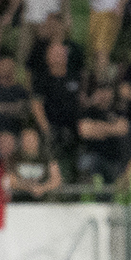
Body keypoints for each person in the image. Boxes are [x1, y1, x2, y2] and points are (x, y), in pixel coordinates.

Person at [30, 40, 84, 171]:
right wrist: (47, 130)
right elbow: (36, 105)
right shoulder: (41, 79)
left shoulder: (75, 76)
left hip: (74, 129)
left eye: (61, 53)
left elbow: (83, 101)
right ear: (48, 57)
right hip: (51, 129)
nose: (58, 56)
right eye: (54, 54)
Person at [77, 83, 130, 185]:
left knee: (115, 184)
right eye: (101, 91)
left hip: (113, 157)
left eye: (107, 91)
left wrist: (97, 128)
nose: (104, 95)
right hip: (92, 155)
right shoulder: (88, 111)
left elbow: (122, 129)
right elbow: (85, 131)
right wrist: (111, 128)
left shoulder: (118, 111)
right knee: (85, 164)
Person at [6, 126, 63, 200]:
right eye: (26, 139)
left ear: (37, 140)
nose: (29, 142)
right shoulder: (14, 157)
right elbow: (10, 181)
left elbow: (57, 180)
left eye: (31, 139)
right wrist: (29, 188)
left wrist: (43, 188)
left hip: (44, 201)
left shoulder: (47, 157)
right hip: (20, 201)